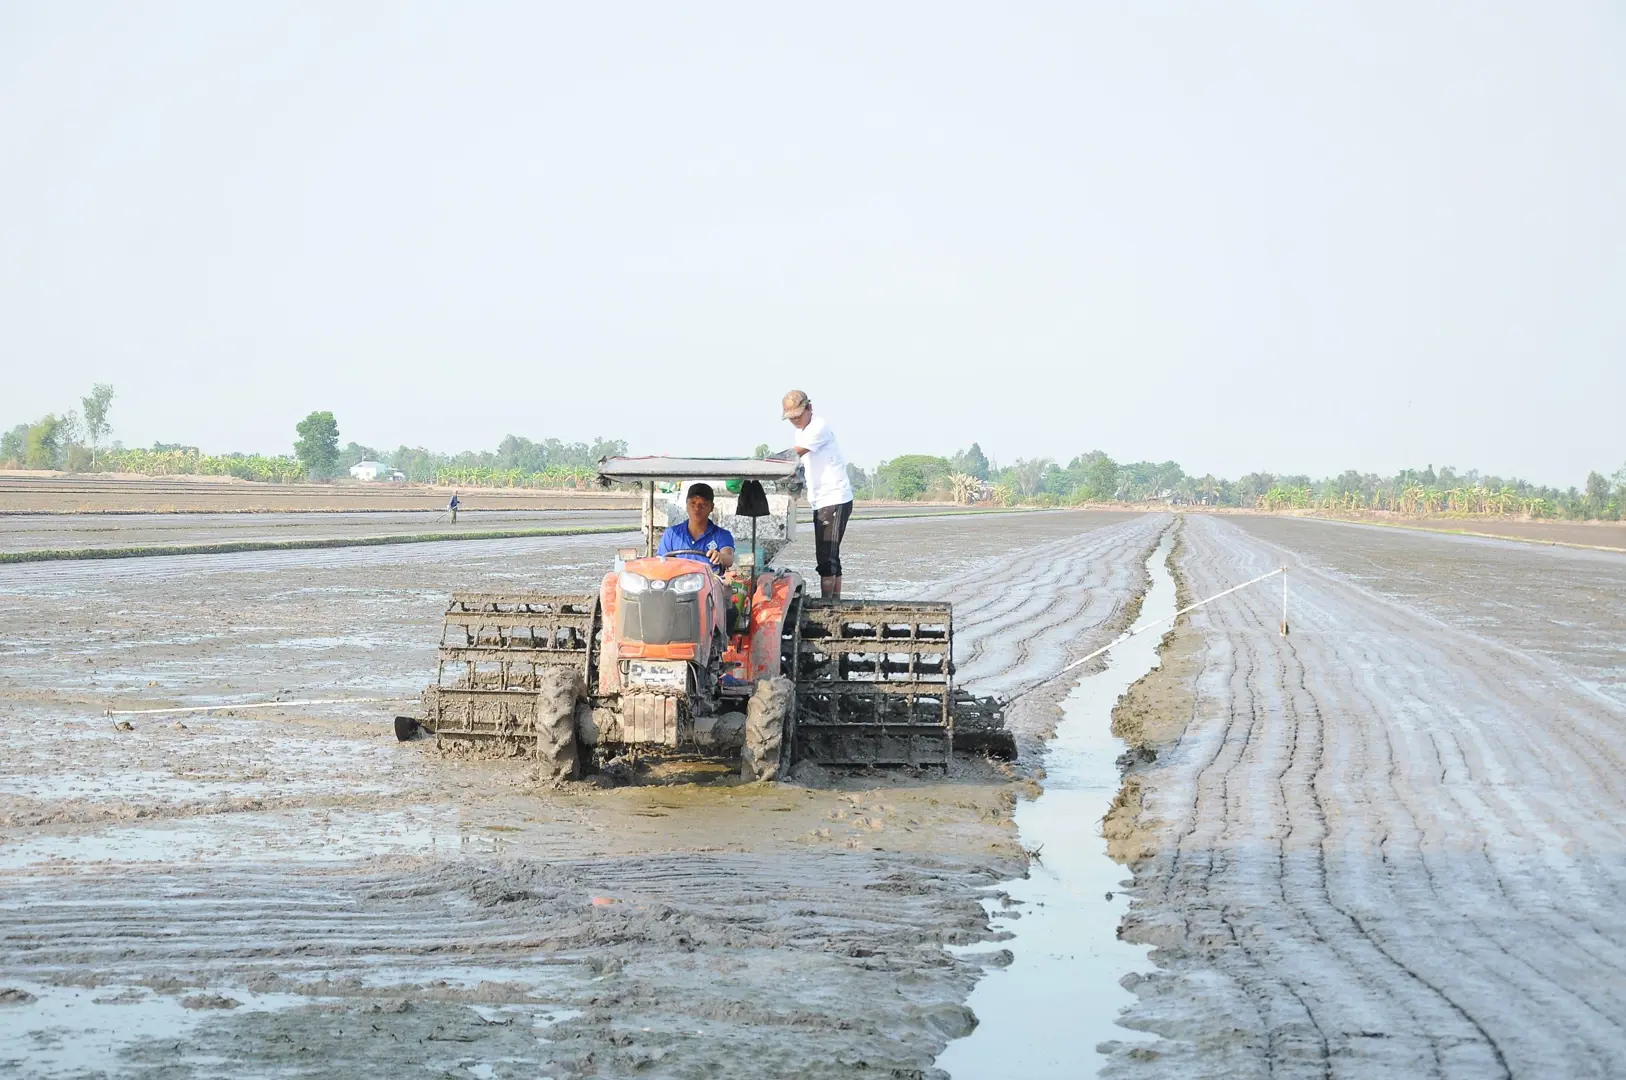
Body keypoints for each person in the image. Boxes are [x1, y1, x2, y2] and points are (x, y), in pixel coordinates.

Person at [781, 389, 853, 599]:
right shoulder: (801, 432)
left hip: (834, 498)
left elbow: (794, 454)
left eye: (797, 416)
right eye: (791, 418)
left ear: (809, 408)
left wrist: (767, 462)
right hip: (821, 500)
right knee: (831, 556)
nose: (794, 421)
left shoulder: (818, 427)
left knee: (826, 557)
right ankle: (835, 603)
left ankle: (827, 605)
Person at [657, 483, 735, 570]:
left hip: (709, 582)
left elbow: (729, 558)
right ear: (686, 504)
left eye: (703, 504)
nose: (697, 508)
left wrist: (720, 556)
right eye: (693, 503)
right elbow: (660, 562)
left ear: (711, 507)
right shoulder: (671, 534)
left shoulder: (722, 535)